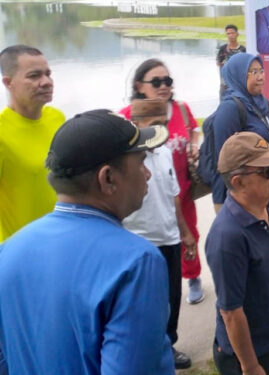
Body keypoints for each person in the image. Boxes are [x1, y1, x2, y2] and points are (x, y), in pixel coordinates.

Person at [0, 109, 173, 374]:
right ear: (108, 178)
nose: (147, 174)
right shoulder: (136, 262)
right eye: (140, 162)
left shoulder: (8, 252)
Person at [206, 132, 269, 375]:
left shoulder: (266, 205)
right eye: (267, 171)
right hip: (255, 352)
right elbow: (231, 312)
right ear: (238, 182)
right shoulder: (228, 236)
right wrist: (250, 366)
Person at [119, 58, 204, 305]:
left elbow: (194, 131)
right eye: (156, 81)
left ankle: (192, 276)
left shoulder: (181, 109)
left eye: (167, 81)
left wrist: (194, 145)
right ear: (139, 85)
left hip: (181, 189)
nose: (163, 86)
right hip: (145, 195)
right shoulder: (128, 116)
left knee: (189, 234)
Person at [122, 99, 195, 369]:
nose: (159, 131)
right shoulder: (127, 159)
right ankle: (143, 354)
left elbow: (174, 195)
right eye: (153, 125)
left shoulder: (164, 152)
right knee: (141, 304)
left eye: (163, 124)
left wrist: (185, 233)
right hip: (139, 242)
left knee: (172, 299)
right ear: (137, 124)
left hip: (170, 238)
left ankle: (169, 345)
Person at [0, 45, 64, 241]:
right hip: (16, 250)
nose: (46, 82)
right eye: (34, 76)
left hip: (60, 241)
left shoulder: (57, 119)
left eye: (48, 74)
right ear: (8, 83)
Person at [211, 53, 269, 210]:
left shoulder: (265, 105)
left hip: (268, 191)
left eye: (261, 71)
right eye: (253, 72)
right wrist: (221, 203)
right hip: (245, 198)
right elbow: (223, 161)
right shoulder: (230, 109)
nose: (260, 77)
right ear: (238, 74)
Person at [217, 24, 247, 97]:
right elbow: (219, 64)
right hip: (225, 85)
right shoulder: (222, 49)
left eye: (232, 33)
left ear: (237, 34)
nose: (230, 35)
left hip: (239, 85)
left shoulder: (243, 50)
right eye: (228, 33)